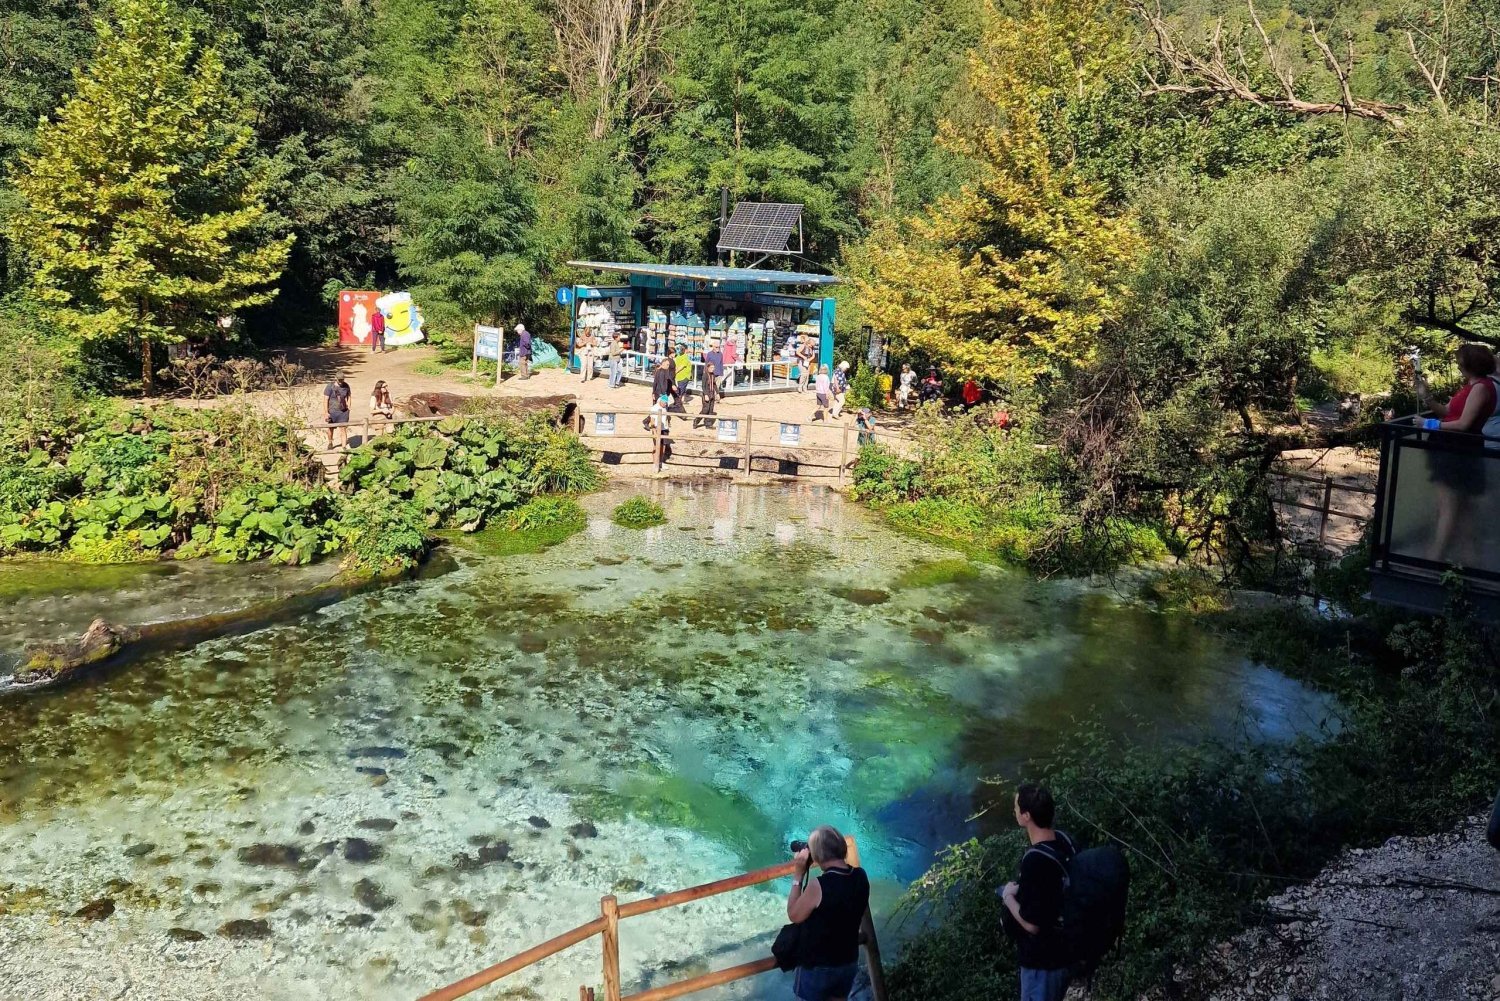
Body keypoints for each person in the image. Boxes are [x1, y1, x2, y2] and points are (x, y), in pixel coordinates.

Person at [1414, 343, 1500, 561]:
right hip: (1452, 447)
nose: (1458, 365)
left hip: (1458, 448)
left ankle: (1435, 557)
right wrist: (1426, 397)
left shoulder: (1482, 387)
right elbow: (1449, 412)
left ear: (1470, 364)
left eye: (1461, 361)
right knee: (1461, 506)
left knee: (1449, 504)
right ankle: (1468, 556)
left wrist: (1428, 424)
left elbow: (1464, 424)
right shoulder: (1472, 386)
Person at [1001, 784, 1076, 1001]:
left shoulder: (1035, 861)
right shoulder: (1065, 841)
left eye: (1016, 808)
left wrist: (1008, 896)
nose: (1014, 811)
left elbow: (1032, 925)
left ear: (1026, 816)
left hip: (1042, 963)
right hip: (1067, 951)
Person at [786, 825, 869, 1001]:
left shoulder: (819, 885)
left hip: (819, 965)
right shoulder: (860, 876)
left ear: (818, 855)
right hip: (848, 961)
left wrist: (798, 875)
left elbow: (794, 914)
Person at [323, 375, 352, 449]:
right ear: (336, 378)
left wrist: (349, 407)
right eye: (339, 379)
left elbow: (349, 396)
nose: (340, 381)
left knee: (343, 428)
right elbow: (326, 399)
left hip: (343, 411)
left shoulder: (346, 386)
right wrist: (326, 412)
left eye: (342, 379)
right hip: (332, 411)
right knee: (330, 428)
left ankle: (344, 446)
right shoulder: (330, 386)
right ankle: (330, 442)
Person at [695, 352, 720, 429]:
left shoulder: (713, 375)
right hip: (707, 393)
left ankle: (708, 424)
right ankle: (696, 421)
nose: (713, 369)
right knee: (705, 409)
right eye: (711, 367)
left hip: (712, 393)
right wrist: (705, 394)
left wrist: (718, 393)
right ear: (708, 368)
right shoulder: (705, 375)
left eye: (713, 367)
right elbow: (703, 386)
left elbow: (714, 384)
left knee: (711, 409)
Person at [648, 393, 672, 473]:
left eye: (666, 403)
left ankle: (661, 462)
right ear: (661, 401)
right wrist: (654, 431)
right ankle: (655, 462)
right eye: (665, 402)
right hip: (657, 429)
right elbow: (652, 420)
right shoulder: (654, 408)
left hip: (664, 429)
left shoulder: (664, 408)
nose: (666, 404)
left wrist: (668, 425)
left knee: (663, 446)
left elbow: (666, 417)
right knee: (656, 446)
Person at [674, 343, 693, 408]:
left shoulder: (678, 356)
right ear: (685, 350)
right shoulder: (685, 357)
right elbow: (681, 367)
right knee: (681, 390)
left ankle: (679, 401)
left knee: (681, 389)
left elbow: (677, 366)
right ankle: (679, 402)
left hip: (680, 376)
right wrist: (675, 372)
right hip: (684, 376)